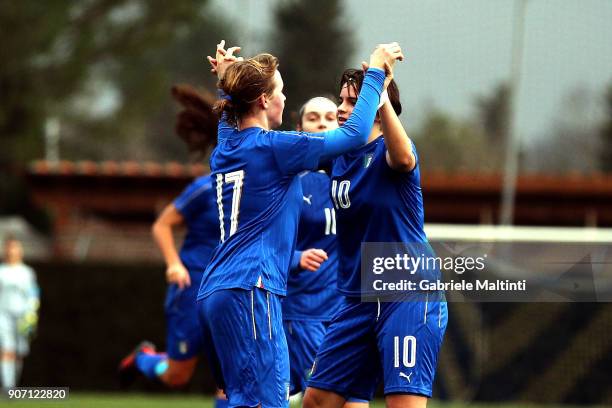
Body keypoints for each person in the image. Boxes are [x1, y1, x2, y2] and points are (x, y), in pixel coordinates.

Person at [198, 41, 402, 407]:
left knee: (243, 398)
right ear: (262, 100)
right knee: (266, 401)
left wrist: (227, 79)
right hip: (252, 287)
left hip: (217, 289)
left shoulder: (227, 142)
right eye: (280, 90)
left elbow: (229, 113)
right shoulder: (274, 147)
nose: (284, 97)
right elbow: (353, 135)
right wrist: (375, 73)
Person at [302, 68, 448, 408]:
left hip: (407, 296)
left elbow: (404, 158)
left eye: (352, 101)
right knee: (317, 400)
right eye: (342, 99)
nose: (341, 108)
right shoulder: (339, 156)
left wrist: (380, 97)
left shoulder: (390, 149)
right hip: (357, 298)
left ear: (379, 110)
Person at [118, 85, 227, 407]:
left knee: (231, 377)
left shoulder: (259, 189)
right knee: (177, 375)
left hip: (231, 287)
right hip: (191, 284)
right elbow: (162, 224)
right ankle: (145, 359)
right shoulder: (203, 188)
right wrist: (173, 264)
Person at [283, 96, 368, 408]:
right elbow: (262, 242)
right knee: (325, 401)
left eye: (330, 118)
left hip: (349, 310)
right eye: (313, 118)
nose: (322, 123)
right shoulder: (289, 181)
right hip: (305, 312)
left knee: (355, 402)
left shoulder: (356, 174)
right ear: (299, 127)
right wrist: (296, 258)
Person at [0, 236, 39, 392]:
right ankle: (8, 387)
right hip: (3, 316)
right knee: (6, 349)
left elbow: (33, 294)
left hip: (23, 317)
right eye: (10, 247)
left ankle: (13, 385)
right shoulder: (1, 271)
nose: (13, 251)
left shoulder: (27, 272)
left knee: (19, 352)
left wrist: (32, 313)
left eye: (16, 247)